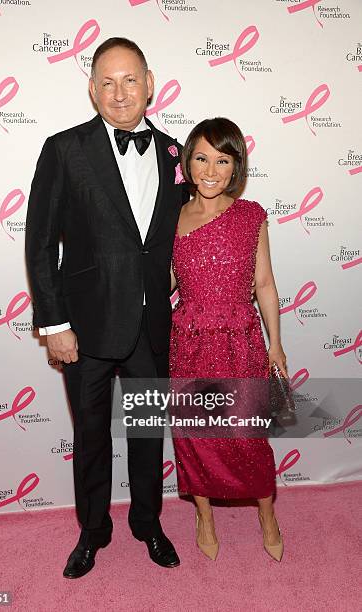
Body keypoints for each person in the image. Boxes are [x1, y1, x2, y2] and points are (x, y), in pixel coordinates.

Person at [25, 37, 190, 579]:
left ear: (150, 83)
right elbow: (41, 242)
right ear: (92, 88)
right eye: (108, 82)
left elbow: (181, 233)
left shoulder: (174, 154)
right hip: (85, 327)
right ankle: (93, 532)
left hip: (150, 326)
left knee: (147, 433)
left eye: (131, 80)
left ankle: (149, 523)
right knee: (91, 436)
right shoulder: (64, 149)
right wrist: (55, 324)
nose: (121, 93)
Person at [169, 117, 287, 562]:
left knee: (247, 437)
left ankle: (267, 515)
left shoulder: (250, 215)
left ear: (236, 165)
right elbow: (166, 284)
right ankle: (204, 516)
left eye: (223, 160)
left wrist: (275, 344)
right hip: (190, 341)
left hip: (240, 341)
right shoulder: (173, 217)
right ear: (188, 161)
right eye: (202, 158)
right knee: (195, 435)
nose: (211, 170)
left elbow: (265, 285)